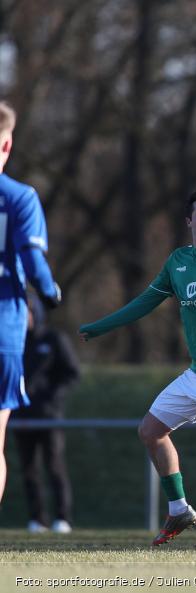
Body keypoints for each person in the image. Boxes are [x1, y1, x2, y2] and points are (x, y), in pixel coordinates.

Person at [79, 187, 196, 547]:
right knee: (150, 431)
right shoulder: (178, 261)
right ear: (189, 221)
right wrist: (102, 325)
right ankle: (179, 508)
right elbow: (146, 301)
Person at [0, 101, 62, 508]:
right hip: (3, 329)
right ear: (6, 145)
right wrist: (51, 291)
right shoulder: (20, 197)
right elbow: (34, 264)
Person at [13, 297, 79, 533]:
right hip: (22, 417)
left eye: (28, 312)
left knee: (55, 466)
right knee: (29, 468)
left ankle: (63, 518)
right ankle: (37, 519)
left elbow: (71, 373)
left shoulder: (54, 339)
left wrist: (51, 398)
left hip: (49, 417)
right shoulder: (14, 342)